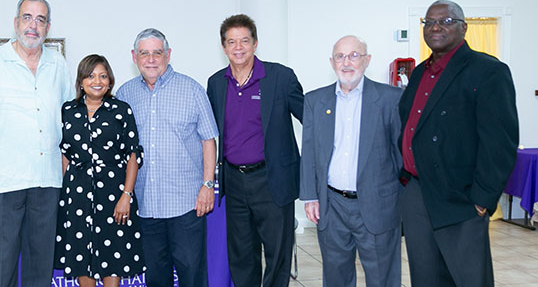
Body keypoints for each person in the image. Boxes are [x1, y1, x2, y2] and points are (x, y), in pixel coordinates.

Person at [399, 0, 519, 286]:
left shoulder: (487, 71)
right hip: (416, 193)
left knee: (467, 279)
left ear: (464, 28)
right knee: (425, 277)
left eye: (446, 21)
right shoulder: (418, 73)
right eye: (429, 22)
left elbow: (500, 142)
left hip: (460, 198)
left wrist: (482, 199)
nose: (436, 27)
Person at [0, 0, 74, 286]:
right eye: (27, 17)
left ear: (48, 27)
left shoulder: (58, 64)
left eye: (40, 19)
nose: (33, 26)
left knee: (40, 269)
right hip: (4, 184)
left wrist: (66, 170)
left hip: (47, 183)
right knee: (2, 270)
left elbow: (68, 122)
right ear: (15, 23)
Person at [206, 14, 304, 287]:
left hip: (272, 180)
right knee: (241, 254)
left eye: (244, 41)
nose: (238, 47)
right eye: (231, 42)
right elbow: (208, 133)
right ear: (224, 47)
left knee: (277, 254)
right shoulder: (215, 83)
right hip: (234, 182)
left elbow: (311, 117)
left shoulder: (280, 77)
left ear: (255, 43)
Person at [116, 28, 219, 287]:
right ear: (134, 56)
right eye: (144, 53)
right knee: (156, 278)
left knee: (192, 275)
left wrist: (207, 185)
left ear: (168, 55)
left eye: (157, 53)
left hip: (186, 204)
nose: (151, 59)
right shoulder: (125, 95)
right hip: (146, 204)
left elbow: (209, 141)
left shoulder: (192, 89)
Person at [299, 35, 403, 287]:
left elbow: (400, 155)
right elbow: (310, 151)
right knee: (336, 277)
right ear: (332, 62)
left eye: (354, 55)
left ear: (367, 60)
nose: (347, 62)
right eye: (340, 56)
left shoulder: (391, 99)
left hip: (377, 205)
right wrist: (310, 196)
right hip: (332, 205)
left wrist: (401, 202)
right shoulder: (315, 101)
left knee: (382, 278)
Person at [55, 54, 145, 286]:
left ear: (110, 80)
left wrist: (126, 195)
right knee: (80, 254)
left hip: (114, 194)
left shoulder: (121, 110)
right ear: (81, 81)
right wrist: (70, 188)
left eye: (103, 76)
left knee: (113, 254)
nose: (97, 81)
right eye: (91, 75)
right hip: (77, 196)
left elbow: (133, 155)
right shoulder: (68, 111)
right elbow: (65, 152)